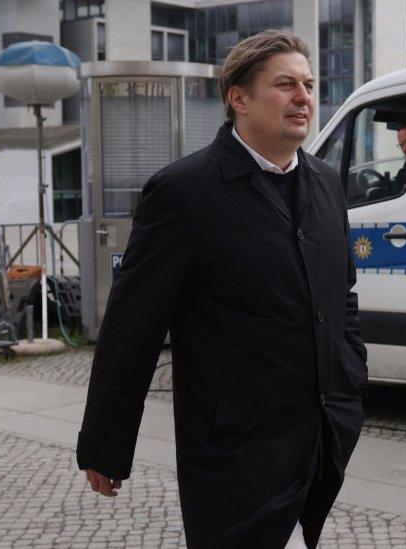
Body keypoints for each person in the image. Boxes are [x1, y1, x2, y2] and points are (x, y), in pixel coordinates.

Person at [76, 30, 367, 548]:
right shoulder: (183, 193)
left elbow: (341, 297)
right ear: (238, 97)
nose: (304, 97)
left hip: (320, 440)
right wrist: (106, 445)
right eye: (285, 85)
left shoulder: (326, 183)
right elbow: (131, 330)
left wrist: (350, 382)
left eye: (308, 83)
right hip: (235, 452)